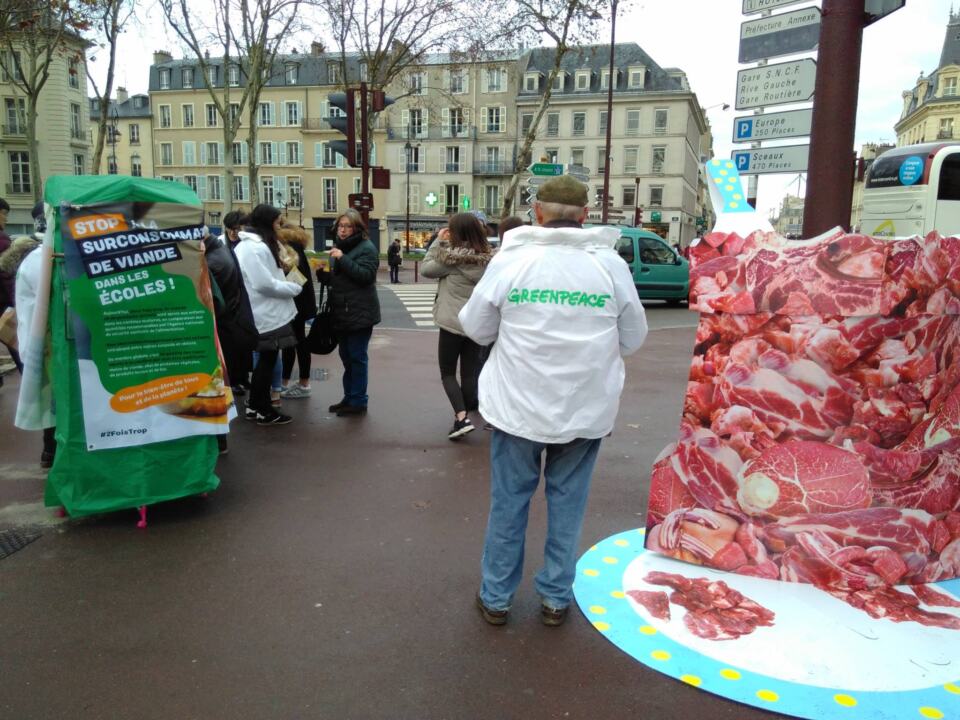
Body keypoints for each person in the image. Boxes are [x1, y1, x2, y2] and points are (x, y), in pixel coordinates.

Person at [459, 175, 648, 627]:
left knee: (509, 503)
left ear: (537, 213)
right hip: (585, 409)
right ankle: (555, 598)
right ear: (584, 216)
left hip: (517, 408)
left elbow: (476, 326)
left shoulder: (512, 262)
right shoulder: (609, 265)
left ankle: (497, 598)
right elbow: (634, 336)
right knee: (568, 504)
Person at [421, 213, 493, 440]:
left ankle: (461, 417)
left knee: (448, 373)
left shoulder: (449, 260)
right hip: (474, 323)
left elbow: (426, 269)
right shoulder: (489, 260)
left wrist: (437, 242)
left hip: (452, 323)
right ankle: (461, 417)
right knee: (469, 374)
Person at [234, 205, 302, 426]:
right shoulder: (254, 248)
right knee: (267, 361)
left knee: (266, 360)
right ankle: (263, 409)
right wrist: (292, 288)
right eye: (276, 222)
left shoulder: (251, 246)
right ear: (266, 222)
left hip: (264, 312)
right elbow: (263, 284)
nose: (279, 225)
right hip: (266, 313)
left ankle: (256, 405)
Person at [316, 209, 380, 416]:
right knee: (346, 357)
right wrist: (324, 275)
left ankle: (359, 401)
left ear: (357, 228)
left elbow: (366, 276)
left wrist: (342, 258)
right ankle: (349, 397)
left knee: (357, 357)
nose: (342, 230)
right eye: (340, 226)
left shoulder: (366, 248)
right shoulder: (340, 247)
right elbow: (342, 279)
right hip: (342, 311)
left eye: (347, 226)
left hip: (360, 311)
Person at [278, 225, 317, 398]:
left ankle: (298, 384)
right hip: (302, 300)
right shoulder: (295, 242)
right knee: (298, 342)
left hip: (294, 301)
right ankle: (296, 382)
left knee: (293, 343)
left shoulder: (287, 245)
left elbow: (293, 274)